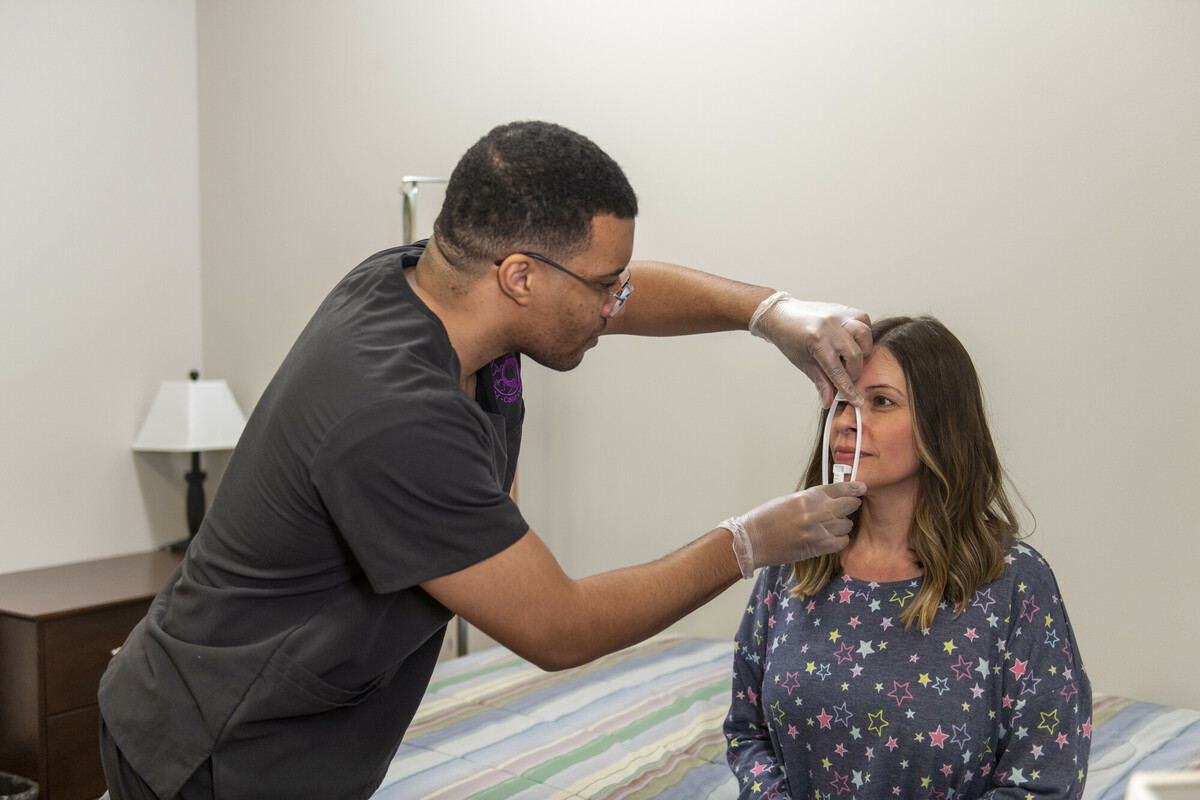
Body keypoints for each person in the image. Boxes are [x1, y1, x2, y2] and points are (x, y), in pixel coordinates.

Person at [97, 121, 873, 800]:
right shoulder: (394, 416)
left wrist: (769, 313)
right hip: (220, 751)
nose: (617, 305)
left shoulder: (432, 286)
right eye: (607, 287)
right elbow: (558, 629)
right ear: (520, 277)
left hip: (309, 727)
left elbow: (620, 295)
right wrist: (748, 543)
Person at [725, 315, 1092, 799]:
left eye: (880, 401)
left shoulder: (1014, 582)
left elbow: (1043, 781)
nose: (847, 419)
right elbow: (747, 732)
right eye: (839, 400)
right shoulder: (792, 558)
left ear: (941, 423)